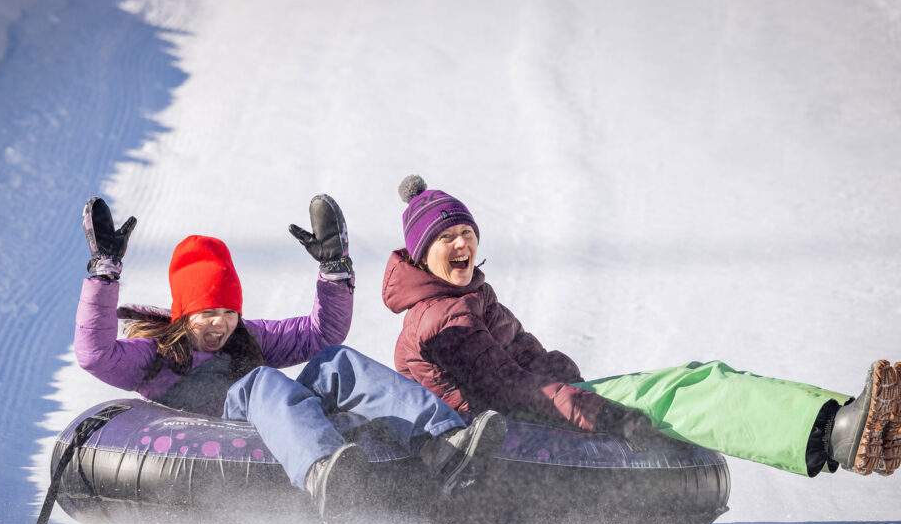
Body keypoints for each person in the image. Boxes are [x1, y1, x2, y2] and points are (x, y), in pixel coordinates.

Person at [381, 174, 901, 478]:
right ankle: (838, 431)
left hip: (538, 408)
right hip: (508, 435)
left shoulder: (469, 298)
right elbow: (511, 389)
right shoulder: (440, 319)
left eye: (467, 231)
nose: (462, 244)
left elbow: (526, 358)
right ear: (423, 253)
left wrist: (562, 373)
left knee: (696, 378)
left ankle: (855, 422)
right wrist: (603, 414)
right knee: (685, 390)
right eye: (446, 236)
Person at [74, 193, 505, 523]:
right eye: (207, 314)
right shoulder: (158, 354)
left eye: (228, 312)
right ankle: (321, 471)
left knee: (337, 362)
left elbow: (320, 334)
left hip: (268, 414)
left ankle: (445, 443)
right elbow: (95, 355)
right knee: (260, 381)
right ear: (184, 314)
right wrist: (104, 273)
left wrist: (334, 272)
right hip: (210, 421)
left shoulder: (245, 337)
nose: (220, 325)